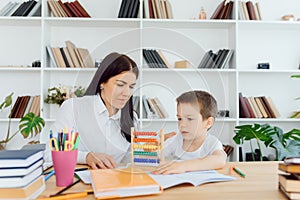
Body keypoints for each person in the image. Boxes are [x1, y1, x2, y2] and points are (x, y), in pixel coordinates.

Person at [50, 52, 139, 169]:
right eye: (120, 84)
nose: (127, 93)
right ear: (102, 82)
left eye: (131, 86)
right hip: (79, 182)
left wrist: (160, 144)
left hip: (116, 182)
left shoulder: (131, 118)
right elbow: (51, 153)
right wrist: (86, 157)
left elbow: (129, 160)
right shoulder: (72, 108)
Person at [153, 90, 227, 175]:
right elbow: (155, 155)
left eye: (190, 119)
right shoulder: (177, 140)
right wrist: (157, 139)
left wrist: (183, 166)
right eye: (180, 119)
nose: (182, 124)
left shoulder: (211, 143)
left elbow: (220, 160)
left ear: (208, 123)